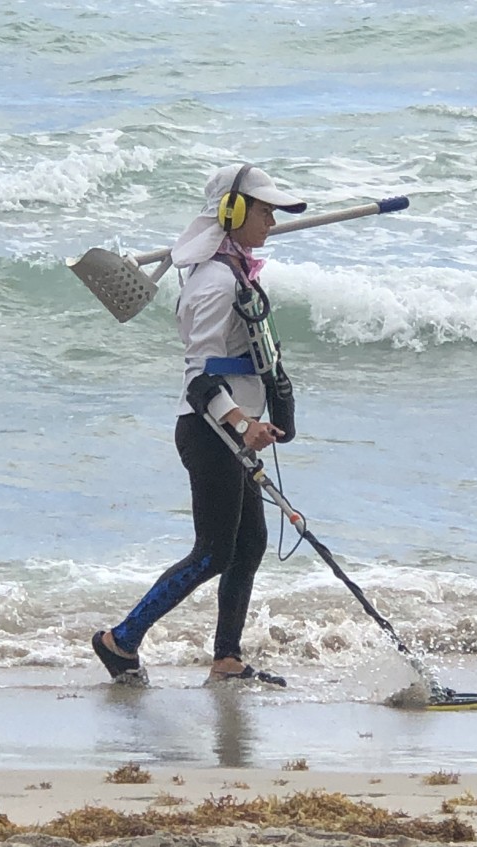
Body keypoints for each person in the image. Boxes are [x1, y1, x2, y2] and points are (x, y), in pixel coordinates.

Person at [92, 163, 307, 686]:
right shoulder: (212, 282)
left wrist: (258, 422)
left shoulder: (234, 272)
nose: (271, 223)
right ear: (231, 212)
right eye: (264, 211)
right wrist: (241, 425)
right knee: (214, 551)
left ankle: (227, 660)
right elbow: (199, 378)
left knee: (249, 545)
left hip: (232, 436)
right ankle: (120, 640)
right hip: (210, 436)